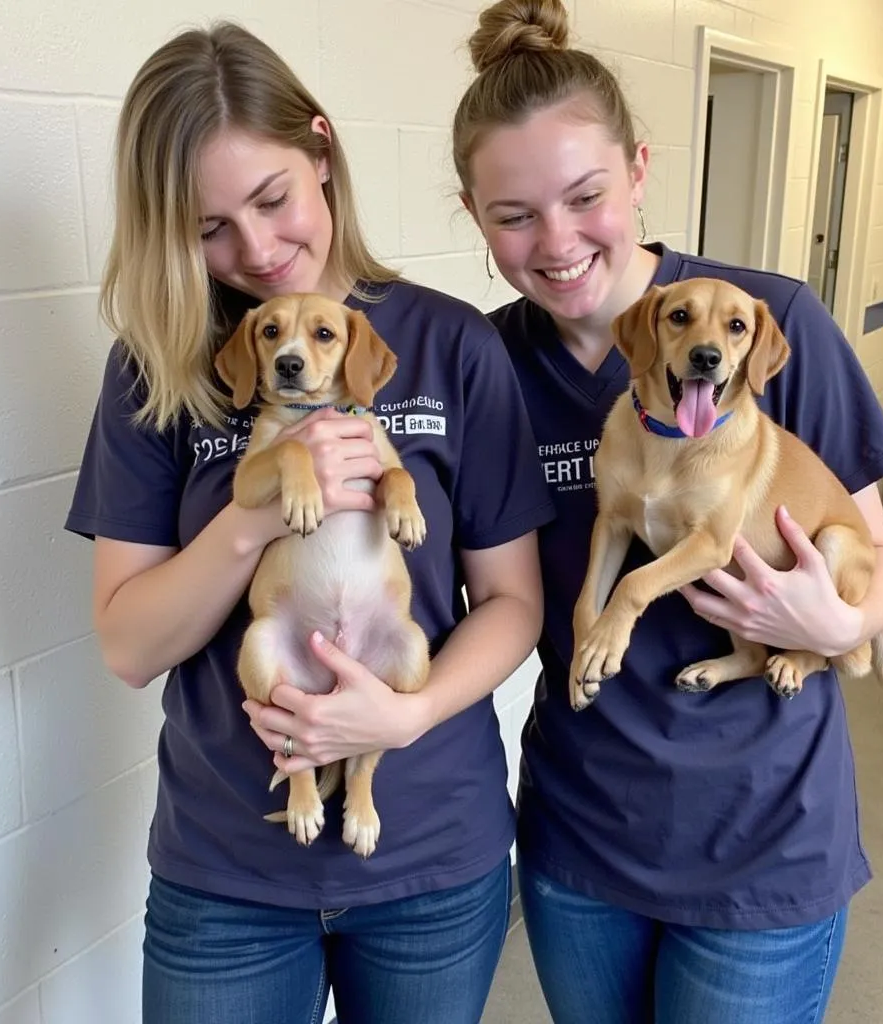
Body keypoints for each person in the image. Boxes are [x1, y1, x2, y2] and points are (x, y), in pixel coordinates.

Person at [64, 21, 554, 1024]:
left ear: (322, 153)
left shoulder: (450, 344)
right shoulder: (154, 371)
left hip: (429, 855)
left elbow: (512, 602)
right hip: (226, 866)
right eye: (208, 228)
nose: (256, 251)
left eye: (272, 199)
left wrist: (407, 714)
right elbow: (127, 644)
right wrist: (251, 520)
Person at [451, 2, 883, 1021]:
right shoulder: (483, 364)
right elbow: (482, 590)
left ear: (639, 172)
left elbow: (876, 559)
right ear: (473, 215)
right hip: (581, 836)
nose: (558, 242)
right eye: (513, 214)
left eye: (585, 195)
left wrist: (841, 623)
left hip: (761, 842)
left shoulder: (769, 319)